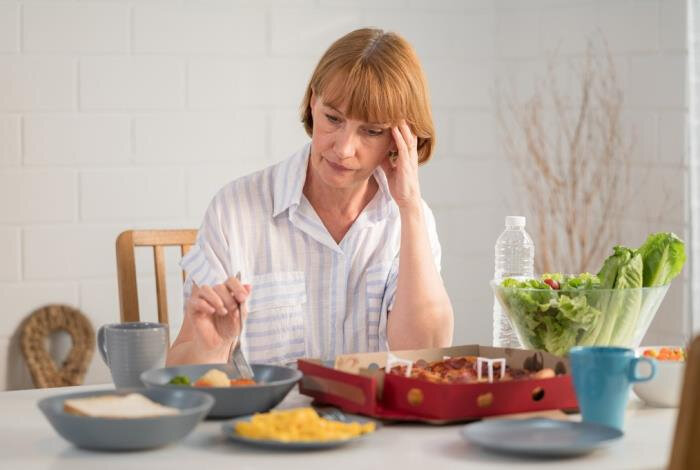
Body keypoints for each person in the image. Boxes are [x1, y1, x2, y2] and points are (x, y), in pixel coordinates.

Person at [167, 28, 453, 366]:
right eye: (333, 118)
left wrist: (410, 208)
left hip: (375, 420)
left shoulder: (407, 221)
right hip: (266, 419)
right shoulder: (235, 209)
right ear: (313, 103)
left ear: (398, 140)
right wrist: (210, 348)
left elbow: (425, 355)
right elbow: (180, 368)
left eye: (371, 131)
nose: (344, 149)